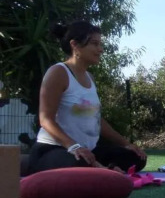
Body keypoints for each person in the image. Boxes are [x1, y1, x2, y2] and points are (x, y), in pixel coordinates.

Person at [27, 21, 147, 175]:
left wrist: (126, 144)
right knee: (80, 163)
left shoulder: (90, 77)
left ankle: (102, 170)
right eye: (95, 44)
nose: (100, 49)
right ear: (75, 45)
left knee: (136, 157)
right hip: (53, 150)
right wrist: (74, 147)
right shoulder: (58, 72)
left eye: (100, 44)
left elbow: (97, 119)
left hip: (87, 151)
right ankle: (103, 171)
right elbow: (46, 119)